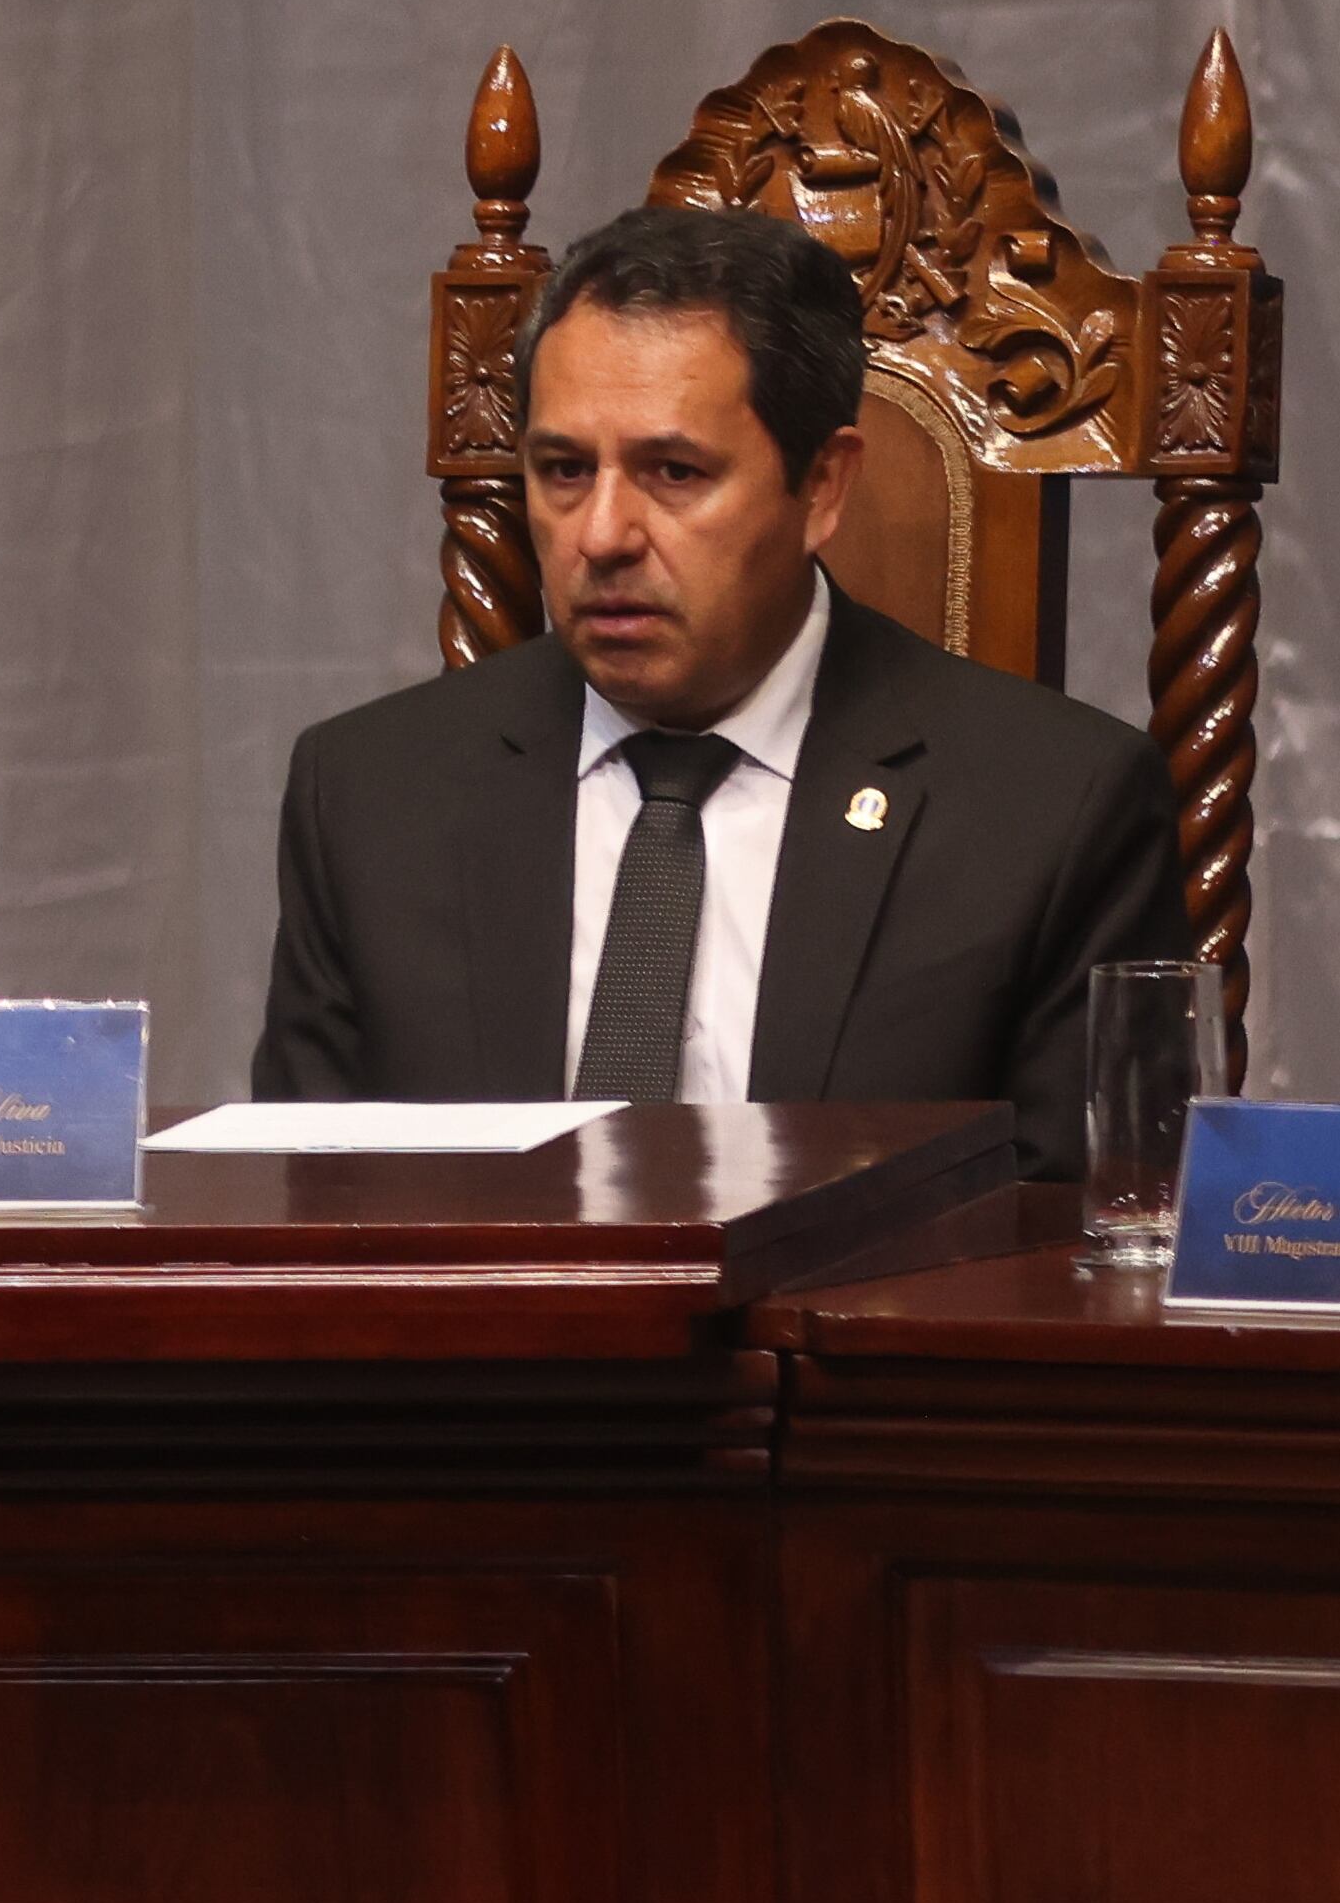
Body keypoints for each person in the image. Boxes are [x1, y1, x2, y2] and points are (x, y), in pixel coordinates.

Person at [252, 202, 1187, 1179]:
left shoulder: (1054, 812)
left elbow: (1079, 1252)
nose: (602, 535)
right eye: (563, 469)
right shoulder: (367, 797)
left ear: (821, 487)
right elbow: (310, 1232)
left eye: (673, 471)